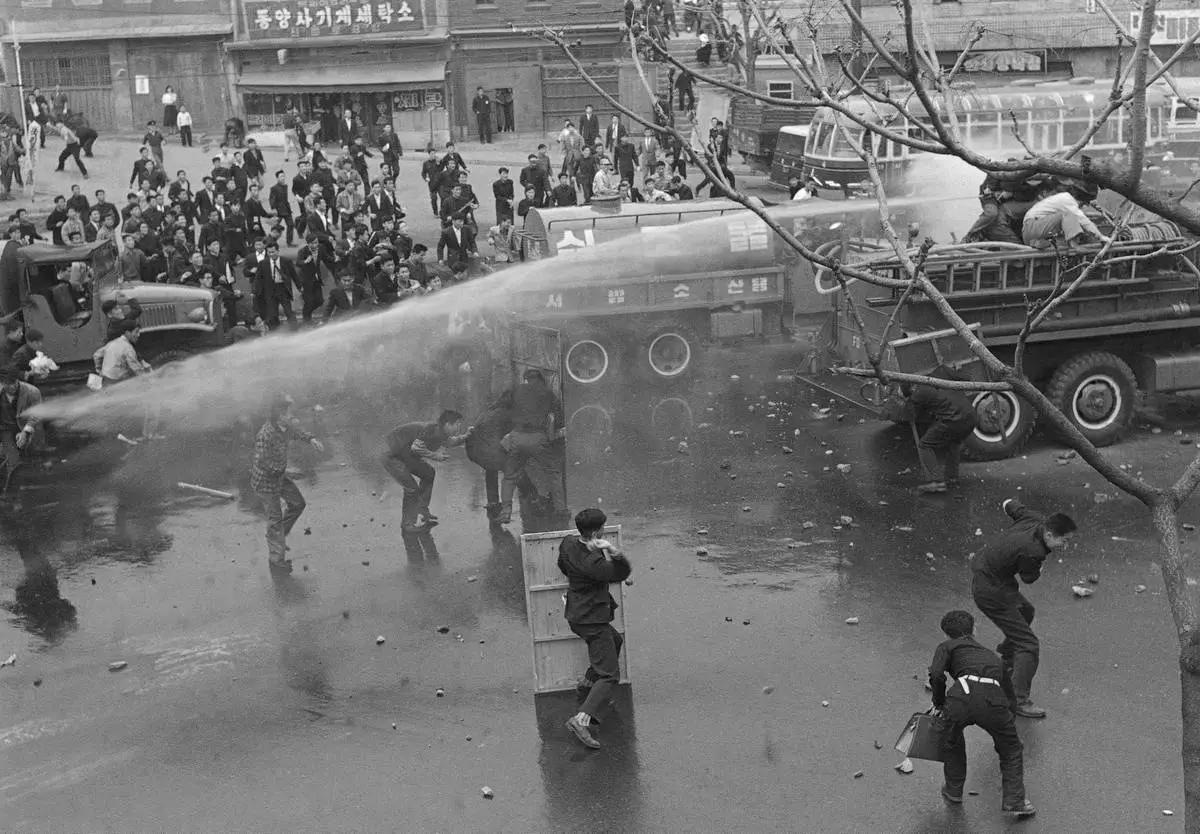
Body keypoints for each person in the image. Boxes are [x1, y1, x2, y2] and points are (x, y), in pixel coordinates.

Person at [972, 498, 1076, 719]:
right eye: (1063, 541)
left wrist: (1008, 503)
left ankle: (1009, 658)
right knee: (1029, 645)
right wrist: (1040, 567)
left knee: (1026, 611)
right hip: (991, 592)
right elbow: (1029, 578)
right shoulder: (1033, 552)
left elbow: (1012, 505)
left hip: (990, 574)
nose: (1065, 547)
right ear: (1048, 535)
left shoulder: (1036, 519)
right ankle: (1018, 700)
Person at [928, 610, 1035, 818]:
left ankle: (954, 790)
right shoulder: (991, 656)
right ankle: (1015, 800)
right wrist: (1008, 720)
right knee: (1011, 749)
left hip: (961, 697)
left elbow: (936, 674)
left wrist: (939, 703)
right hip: (994, 700)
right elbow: (1009, 694)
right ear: (973, 630)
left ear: (946, 633)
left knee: (952, 740)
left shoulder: (946, 646)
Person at [559, 507, 631, 749]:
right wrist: (614, 552)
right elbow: (621, 573)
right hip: (593, 618)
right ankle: (582, 719)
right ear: (597, 531)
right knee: (609, 675)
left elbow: (563, 565)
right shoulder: (595, 563)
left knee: (615, 641)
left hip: (577, 614)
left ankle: (588, 687)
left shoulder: (568, 544)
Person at [250, 395, 324, 573]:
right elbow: (263, 463)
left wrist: (311, 439)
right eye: (289, 412)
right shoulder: (265, 435)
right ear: (280, 414)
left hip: (279, 476)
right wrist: (288, 471)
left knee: (298, 504)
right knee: (274, 520)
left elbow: (296, 431)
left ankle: (279, 538)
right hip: (266, 483)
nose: (292, 414)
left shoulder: (284, 426)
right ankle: (276, 560)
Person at [497, 368, 565, 524]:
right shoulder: (547, 392)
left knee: (510, 476)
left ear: (525, 379)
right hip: (538, 438)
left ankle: (506, 511)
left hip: (517, 436)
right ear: (541, 379)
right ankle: (560, 510)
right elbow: (559, 417)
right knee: (553, 472)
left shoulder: (515, 390)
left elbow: (501, 406)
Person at [381, 410, 466, 531]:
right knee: (411, 488)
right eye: (457, 424)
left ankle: (422, 510)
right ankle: (407, 524)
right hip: (391, 455)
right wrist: (437, 457)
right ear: (447, 424)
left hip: (406, 454)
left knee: (428, 473)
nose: (459, 427)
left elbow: (450, 442)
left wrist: (467, 436)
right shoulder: (431, 430)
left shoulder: (441, 432)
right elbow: (416, 448)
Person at [900, 381, 977, 494]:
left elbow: (908, 416)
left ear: (911, 388)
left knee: (924, 445)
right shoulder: (932, 383)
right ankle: (952, 479)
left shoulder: (918, 392)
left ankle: (936, 482)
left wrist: (905, 401)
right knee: (953, 443)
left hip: (953, 420)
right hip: (971, 416)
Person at [1021, 182, 1110, 249]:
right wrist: (1101, 236)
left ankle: (1042, 243)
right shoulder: (1067, 200)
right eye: (1083, 204)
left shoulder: (1065, 200)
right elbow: (1084, 220)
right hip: (1032, 227)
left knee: (1065, 235)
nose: (1083, 206)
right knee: (1068, 214)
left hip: (1034, 231)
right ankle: (1074, 246)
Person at [0, 364, 42, 495]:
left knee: (20, 461)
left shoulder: (32, 391)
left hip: (24, 428)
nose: (12, 387)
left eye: (14, 382)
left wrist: (25, 431)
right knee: (14, 461)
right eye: (7, 384)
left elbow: (37, 414)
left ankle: (10, 494)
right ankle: (9, 495)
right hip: (4, 430)